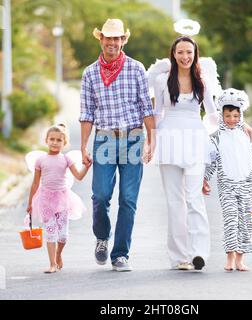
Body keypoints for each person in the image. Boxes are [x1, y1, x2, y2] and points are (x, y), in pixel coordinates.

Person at [148, 36, 252, 271]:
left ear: (195, 54)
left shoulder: (202, 80)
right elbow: (156, 113)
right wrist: (151, 143)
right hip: (169, 139)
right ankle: (180, 257)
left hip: (195, 139)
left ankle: (198, 253)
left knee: (194, 198)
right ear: (173, 54)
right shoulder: (162, 80)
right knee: (175, 201)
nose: (185, 57)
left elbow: (212, 114)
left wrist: (240, 125)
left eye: (189, 52)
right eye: (180, 52)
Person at [79, 18, 155, 272]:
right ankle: (102, 237)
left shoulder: (136, 68)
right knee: (100, 195)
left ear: (123, 40)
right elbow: (86, 112)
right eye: (108, 38)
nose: (112, 42)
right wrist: (83, 146)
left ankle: (120, 253)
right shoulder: (90, 72)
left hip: (133, 137)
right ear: (101, 39)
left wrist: (151, 141)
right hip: (104, 139)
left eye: (117, 38)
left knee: (128, 199)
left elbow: (146, 106)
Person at [203, 88, 252, 272]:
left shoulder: (248, 135)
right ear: (221, 115)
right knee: (230, 220)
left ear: (240, 115)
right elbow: (212, 161)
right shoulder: (216, 137)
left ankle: (241, 259)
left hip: (246, 185)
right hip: (227, 186)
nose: (231, 119)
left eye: (235, 115)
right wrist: (205, 179)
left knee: (245, 222)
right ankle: (230, 258)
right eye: (227, 115)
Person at [26, 124, 91, 274]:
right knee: (50, 232)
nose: (55, 143)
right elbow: (36, 183)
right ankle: (52, 264)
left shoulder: (66, 159)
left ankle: (58, 254)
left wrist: (87, 167)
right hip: (45, 200)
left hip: (62, 200)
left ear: (64, 143)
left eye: (58, 140)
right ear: (46, 140)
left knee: (63, 235)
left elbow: (79, 177)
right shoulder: (40, 160)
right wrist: (30, 202)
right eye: (52, 139)